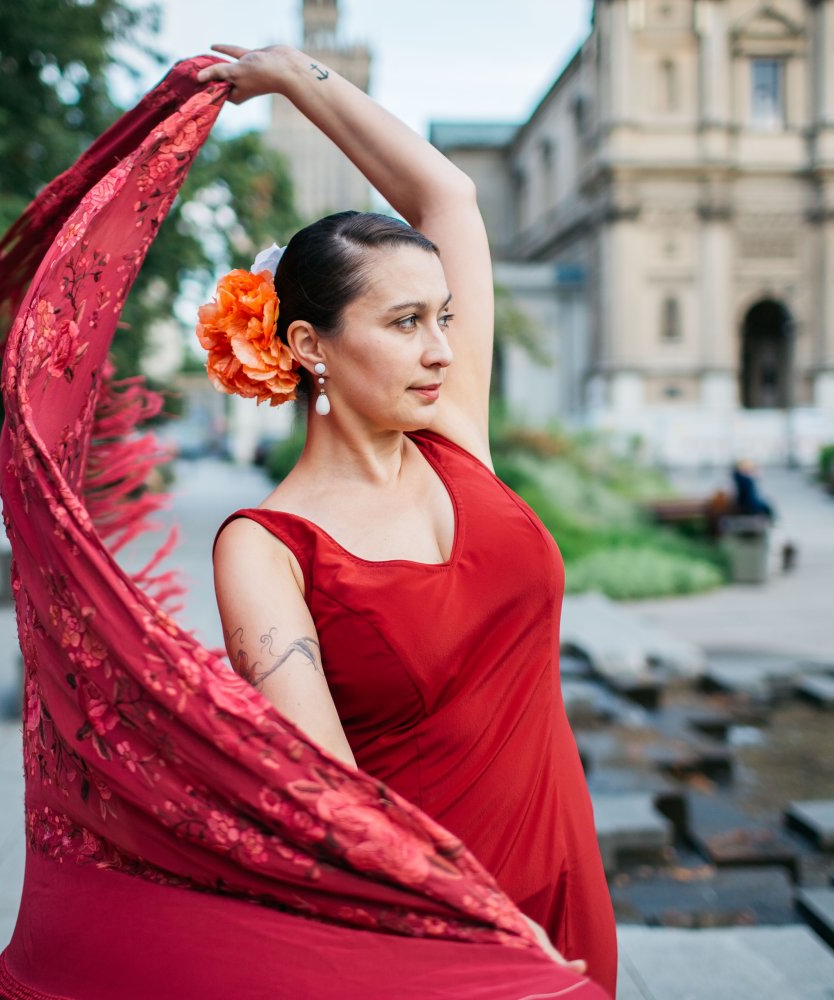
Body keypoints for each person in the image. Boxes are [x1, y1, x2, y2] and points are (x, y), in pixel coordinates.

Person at [201, 44, 618, 995]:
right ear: (310, 345)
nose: (440, 349)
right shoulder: (265, 551)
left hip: (565, 882)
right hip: (425, 934)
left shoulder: (454, 436)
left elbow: (451, 200)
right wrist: (493, 949)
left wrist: (287, 76)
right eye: (403, 324)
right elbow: (329, 801)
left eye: (444, 317)